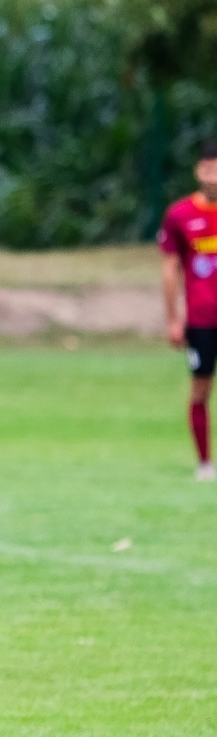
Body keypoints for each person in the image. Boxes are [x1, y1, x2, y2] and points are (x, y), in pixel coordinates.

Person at [157, 139, 217, 481]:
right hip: (202, 319)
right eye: (208, 168)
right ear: (198, 170)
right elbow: (169, 270)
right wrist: (173, 319)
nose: (214, 176)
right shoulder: (180, 215)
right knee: (201, 388)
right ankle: (205, 463)